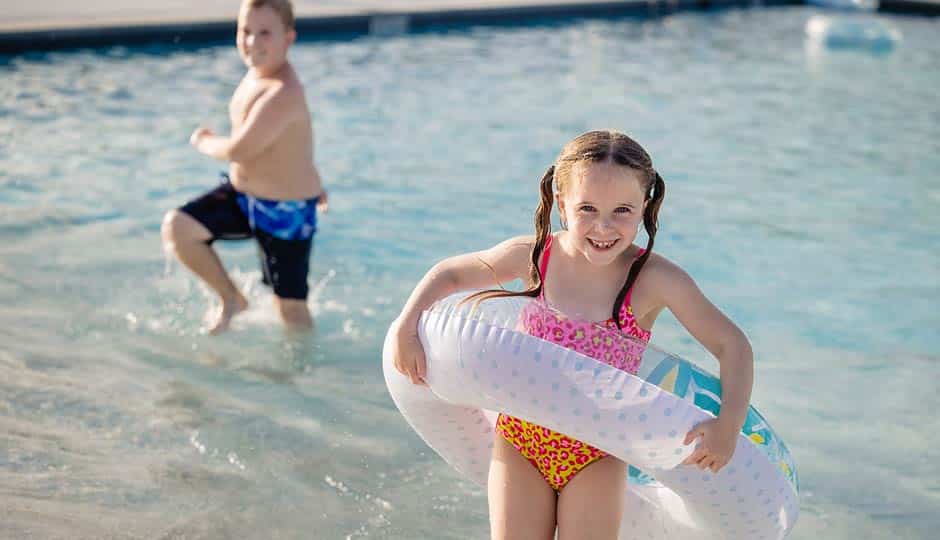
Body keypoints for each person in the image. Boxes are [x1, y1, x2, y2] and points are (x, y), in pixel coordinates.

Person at [389, 130, 754, 539]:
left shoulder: (653, 279)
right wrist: (407, 326)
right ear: (561, 201)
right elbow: (453, 273)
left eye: (622, 210)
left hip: (597, 452)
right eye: (587, 208)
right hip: (521, 440)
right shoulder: (538, 258)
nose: (604, 227)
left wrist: (728, 427)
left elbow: (732, 345)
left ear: (645, 208)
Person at [161, 0, 328, 335]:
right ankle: (232, 298)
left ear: (289, 38)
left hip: (286, 211)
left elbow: (241, 149)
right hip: (242, 195)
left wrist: (204, 141)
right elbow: (294, 145)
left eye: (264, 33)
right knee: (180, 228)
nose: (252, 42)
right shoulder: (257, 75)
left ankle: (300, 370)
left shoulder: (283, 93)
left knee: (290, 309)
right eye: (245, 31)